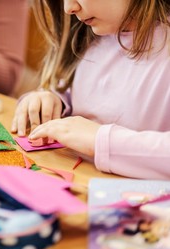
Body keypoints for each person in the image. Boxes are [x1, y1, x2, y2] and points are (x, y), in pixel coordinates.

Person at [11, 0, 170, 179]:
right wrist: (55, 100)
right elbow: (90, 98)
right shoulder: (96, 34)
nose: (68, 8)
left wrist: (99, 140)